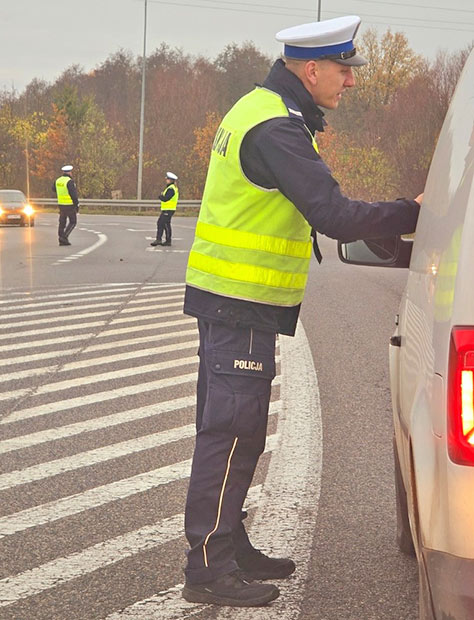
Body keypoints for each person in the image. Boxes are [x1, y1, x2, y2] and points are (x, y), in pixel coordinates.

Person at [181, 15, 423, 608]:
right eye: (345, 70)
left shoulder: (268, 111)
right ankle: (207, 568)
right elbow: (334, 215)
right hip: (238, 303)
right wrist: (414, 212)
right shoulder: (276, 128)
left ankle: (230, 545)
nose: (352, 81)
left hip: (238, 303)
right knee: (231, 433)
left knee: (239, 430)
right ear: (310, 69)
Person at [150, 171, 179, 246]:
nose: (166, 180)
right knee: (163, 224)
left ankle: (161, 240)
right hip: (168, 209)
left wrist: (160, 197)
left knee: (163, 223)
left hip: (168, 209)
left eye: (167, 179)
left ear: (171, 180)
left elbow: (166, 198)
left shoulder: (171, 189)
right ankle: (165, 240)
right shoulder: (171, 188)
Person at [53, 165, 79, 246]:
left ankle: (61, 237)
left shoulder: (58, 180)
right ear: (69, 172)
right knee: (73, 222)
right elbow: (73, 194)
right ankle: (64, 237)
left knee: (62, 222)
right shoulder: (69, 181)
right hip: (69, 205)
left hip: (61, 204)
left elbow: (53, 189)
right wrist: (76, 204)